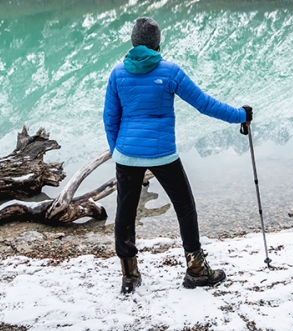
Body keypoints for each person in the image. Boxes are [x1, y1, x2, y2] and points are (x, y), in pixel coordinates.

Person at [103, 16, 252, 295]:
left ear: (134, 43)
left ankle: (129, 275)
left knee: (125, 211)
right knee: (184, 206)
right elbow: (204, 104)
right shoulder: (169, 71)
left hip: (127, 155)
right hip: (162, 154)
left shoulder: (117, 73)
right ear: (158, 44)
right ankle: (195, 270)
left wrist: (118, 152)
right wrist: (240, 115)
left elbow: (110, 118)